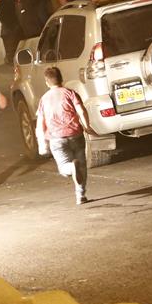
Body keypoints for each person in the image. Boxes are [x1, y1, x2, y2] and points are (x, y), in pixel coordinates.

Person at [35, 67, 96, 205]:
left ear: (47, 82)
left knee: (64, 167)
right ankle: (80, 195)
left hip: (56, 139)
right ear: (61, 79)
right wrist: (87, 127)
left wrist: (41, 143)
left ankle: (70, 168)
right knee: (82, 165)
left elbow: (40, 124)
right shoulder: (70, 93)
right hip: (76, 134)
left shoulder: (44, 99)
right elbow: (81, 110)